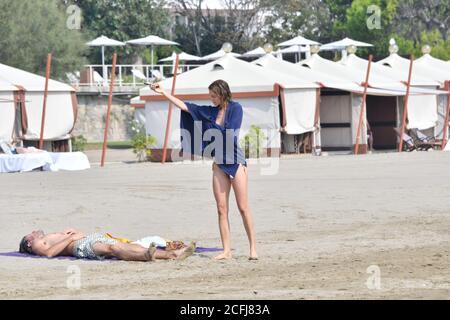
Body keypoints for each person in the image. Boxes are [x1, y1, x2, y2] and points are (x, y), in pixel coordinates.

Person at [150, 80, 258, 261]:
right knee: (221, 209)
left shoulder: (235, 108)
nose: (212, 99)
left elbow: (230, 132)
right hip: (219, 163)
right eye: (210, 96)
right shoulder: (210, 111)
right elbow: (186, 107)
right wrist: (164, 93)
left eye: (214, 96)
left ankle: (253, 248)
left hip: (236, 161)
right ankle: (226, 251)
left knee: (243, 208)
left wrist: (208, 124)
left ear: (223, 94)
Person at [19, 229, 196, 261]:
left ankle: (171, 254)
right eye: (31, 233)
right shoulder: (36, 245)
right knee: (112, 249)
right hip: (79, 246)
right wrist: (70, 237)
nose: (34, 231)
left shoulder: (47, 236)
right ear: (28, 241)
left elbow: (75, 234)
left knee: (119, 246)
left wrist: (71, 233)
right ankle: (168, 254)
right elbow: (50, 254)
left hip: (87, 238)